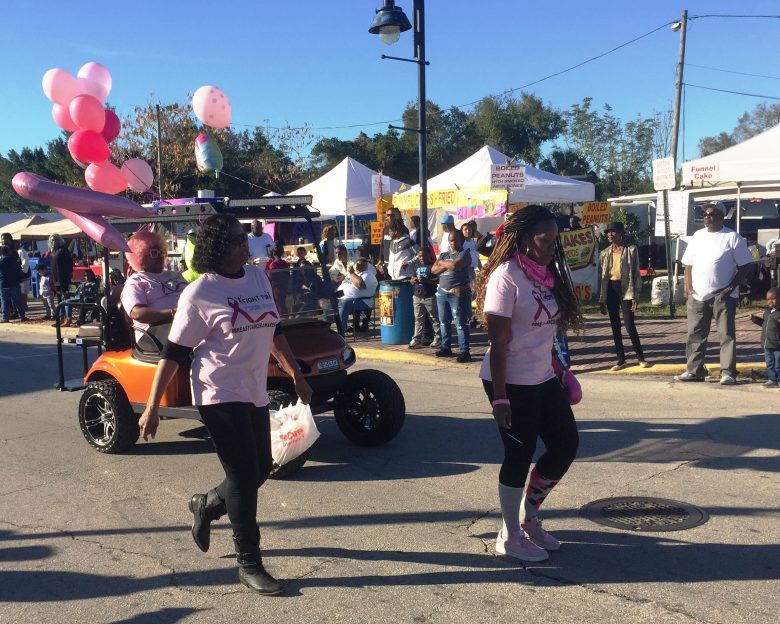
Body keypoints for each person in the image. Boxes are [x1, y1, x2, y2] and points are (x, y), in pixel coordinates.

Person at [138, 214, 312, 596]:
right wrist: (151, 407)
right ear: (219, 247)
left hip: (252, 387)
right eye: (237, 238)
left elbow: (274, 329)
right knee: (243, 477)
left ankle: (207, 504)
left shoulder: (257, 277)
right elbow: (174, 353)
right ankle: (249, 562)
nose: (245, 242)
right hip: (217, 391)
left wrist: (296, 372)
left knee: (261, 468)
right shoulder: (199, 293)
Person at [475, 205, 583, 563]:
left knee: (565, 445)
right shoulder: (505, 277)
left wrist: (560, 369)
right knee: (518, 456)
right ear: (523, 239)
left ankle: (529, 516)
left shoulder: (545, 275)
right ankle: (510, 535)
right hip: (510, 381)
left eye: (555, 239)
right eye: (545, 239)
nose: (553, 246)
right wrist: (501, 399)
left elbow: (543, 331)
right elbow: (499, 343)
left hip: (542, 375)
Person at [674, 203, 753, 385]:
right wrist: (688, 287)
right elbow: (688, 263)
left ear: (721, 216)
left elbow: (746, 265)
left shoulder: (732, 237)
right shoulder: (697, 236)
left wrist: (732, 287)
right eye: (706, 214)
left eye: (712, 214)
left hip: (723, 295)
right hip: (698, 295)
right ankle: (694, 370)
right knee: (695, 334)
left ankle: (727, 372)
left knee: (726, 335)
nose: (708, 217)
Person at [121, 232, 188, 351]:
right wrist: (173, 312)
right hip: (152, 334)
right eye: (154, 253)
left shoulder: (176, 275)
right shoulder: (136, 281)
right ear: (139, 256)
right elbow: (137, 313)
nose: (160, 256)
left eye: (162, 252)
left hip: (185, 323)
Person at [597, 221, 649, 370]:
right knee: (615, 326)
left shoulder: (631, 250)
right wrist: (602, 299)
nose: (610, 234)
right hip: (611, 289)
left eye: (613, 232)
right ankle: (621, 359)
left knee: (629, 324)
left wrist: (636, 295)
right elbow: (602, 277)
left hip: (626, 289)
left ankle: (641, 357)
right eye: (608, 232)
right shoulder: (604, 253)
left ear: (621, 234)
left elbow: (636, 274)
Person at [432, 230, 472, 362]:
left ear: (461, 241)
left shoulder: (465, 254)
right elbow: (433, 270)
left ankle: (464, 351)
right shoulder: (444, 254)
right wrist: (447, 264)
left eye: (455, 240)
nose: (452, 243)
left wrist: (443, 263)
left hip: (458, 293)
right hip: (442, 292)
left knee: (460, 323)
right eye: (450, 240)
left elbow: (456, 266)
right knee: (444, 322)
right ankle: (446, 347)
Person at [407, 247, 441, 349]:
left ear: (428, 255)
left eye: (423, 255)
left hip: (429, 296)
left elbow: (437, 280)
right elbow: (412, 278)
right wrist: (413, 280)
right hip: (417, 296)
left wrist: (427, 281)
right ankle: (416, 339)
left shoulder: (432, 266)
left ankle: (438, 338)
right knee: (418, 319)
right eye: (419, 256)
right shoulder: (416, 266)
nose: (421, 258)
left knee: (434, 318)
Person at [337, 257, 378, 333]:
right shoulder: (356, 273)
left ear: (366, 266)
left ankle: (341, 331)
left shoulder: (368, 275)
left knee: (344, 304)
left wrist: (352, 273)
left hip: (363, 301)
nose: (359, 266)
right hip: (345, 298)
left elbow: (360, 285)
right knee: (328, 303)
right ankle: (326, 330)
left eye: (362, 265)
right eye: (358, 265)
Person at [750, 287, 780, 388]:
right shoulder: (767, 312)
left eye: (773, 299)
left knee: (778, 364)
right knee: (770, 363)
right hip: (767, 344)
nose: (770, 301)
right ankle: (772, 380)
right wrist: (755, 319)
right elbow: (763, 324)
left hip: (777, 344)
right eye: (768, 299)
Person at [49, 234, 73, 326]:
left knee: (65, 297)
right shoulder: (52, 251)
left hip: (63, 277)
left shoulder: (63, 250)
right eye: (51, 240)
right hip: (55, 278)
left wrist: (69, 274)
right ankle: (61, 318)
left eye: (54, 240)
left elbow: (69, 263)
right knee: (59, 298)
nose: (53, 242)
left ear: (59, 240)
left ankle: (68, 318)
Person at [0, 245, 28, 322]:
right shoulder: (15, 261)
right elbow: (19, 272)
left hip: (4, 284)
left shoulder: (1, 262)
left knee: (5, 302)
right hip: (14, 284)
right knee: (18, 301)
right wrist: (20, 280)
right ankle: (22, 316)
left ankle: (6, 318)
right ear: (9, 252)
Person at [267, 242, 290, 315]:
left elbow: (271, 276)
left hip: (276, 286)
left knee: (278, 303)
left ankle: (281, 317)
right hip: (285, 285)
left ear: (273, 254)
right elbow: (288, 274)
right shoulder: (284, 262)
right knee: (283, 302)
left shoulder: (273, 264)